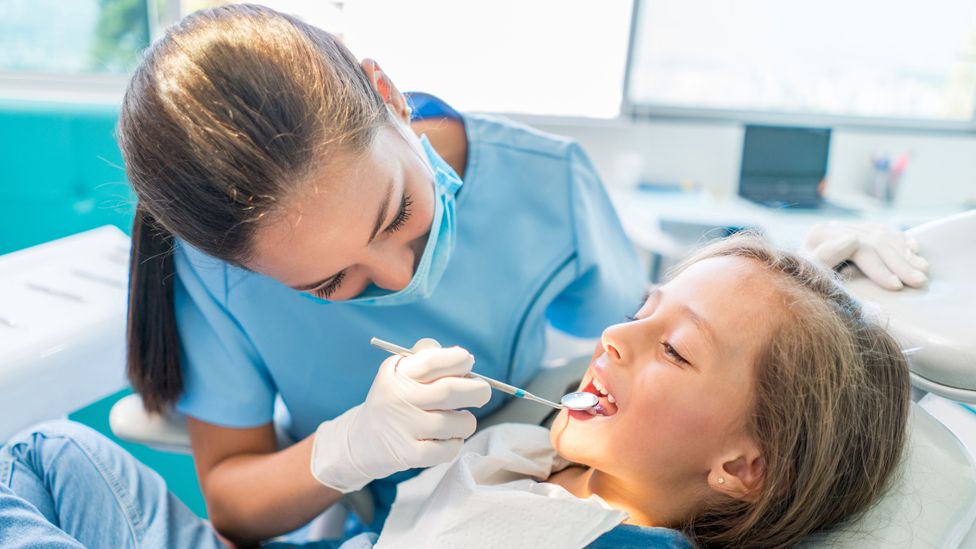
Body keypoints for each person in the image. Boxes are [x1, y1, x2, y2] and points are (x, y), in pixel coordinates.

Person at [0, 235, 910, 548]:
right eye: (643, 306)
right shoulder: (543, 446)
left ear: (743, 466)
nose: (615, 337)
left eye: (670, 347)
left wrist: (836, 340)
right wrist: (793, 283)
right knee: (39, 447)